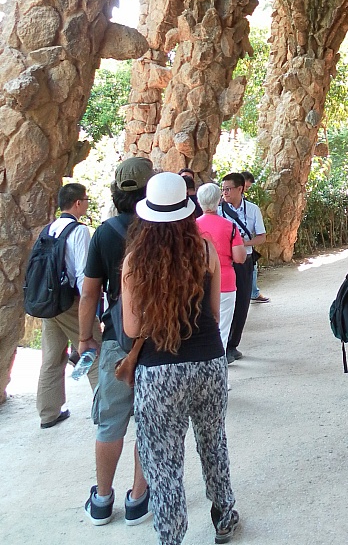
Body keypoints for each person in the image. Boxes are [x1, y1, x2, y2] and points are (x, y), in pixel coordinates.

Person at [122, 172, 239, 545]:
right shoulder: (204, 251)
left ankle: (171, 536)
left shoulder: (135, 261)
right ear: (187, 211)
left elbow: (131, 327)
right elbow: (214, 315)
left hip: (158, 371)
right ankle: (224, 515)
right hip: (208, 362)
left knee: (163, 460)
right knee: (213, 441)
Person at [79, 157, 153, 526]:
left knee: (110, 421)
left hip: (117, 337)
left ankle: (102, 500)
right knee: (149, 423)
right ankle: (138, 499)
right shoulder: (163, 229)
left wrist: (84, 338)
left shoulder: (105, 233)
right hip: (157, 339)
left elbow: (89, 292)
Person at [36, 182, 101, 428]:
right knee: (94, 351)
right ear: (77, 203)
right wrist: (89, 307)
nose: (87, 203)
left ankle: (48, 413)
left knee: (52, 358)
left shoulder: (49, 228)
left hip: (48, 302)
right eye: (86, 200)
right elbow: (84, 274)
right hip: (70, 302)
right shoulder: (79, 231)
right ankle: (105, 409)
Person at [218, 172, 266, 362]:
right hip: (224, 261)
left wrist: (241, 243)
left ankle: (233, 345)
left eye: (228, 189)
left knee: (242, 302)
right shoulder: (219, 210)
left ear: (240, 189)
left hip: (244, 260)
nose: (225, 193)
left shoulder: (252, 209)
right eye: (223, 189)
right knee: (223, 303)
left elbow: (261, 237)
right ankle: (222, 345)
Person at [197, 182, 247, 352]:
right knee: (223, 328)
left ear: (199, 202)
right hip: (225, 282)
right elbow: (240, 258)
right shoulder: (230, 226)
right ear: (219, 200)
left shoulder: (191, 227)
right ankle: (221, 358)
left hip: (198, 282)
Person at [242, 171, 270, 304]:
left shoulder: (250, 207)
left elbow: (261, 235)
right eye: (246, 186)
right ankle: (253, 292)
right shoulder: (222, 206)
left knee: (252, 267)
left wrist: (246, 243)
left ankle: (253, 292)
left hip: (247, 248)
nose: (246, 190)